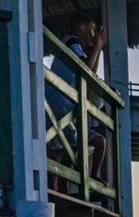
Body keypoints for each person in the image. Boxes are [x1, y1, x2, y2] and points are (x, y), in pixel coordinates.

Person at [45, 13, 107, 189]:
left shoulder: (74, 46)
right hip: (58, 103)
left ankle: (67, 185)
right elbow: (86, 69)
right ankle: (56, 189)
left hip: (64, 106)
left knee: (67, 146)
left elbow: (90, 74)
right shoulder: (71, 42)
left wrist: (99, 48)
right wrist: (98, 45)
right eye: (92, 31)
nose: (93, 36)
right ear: (82, 28)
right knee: (61, 148)